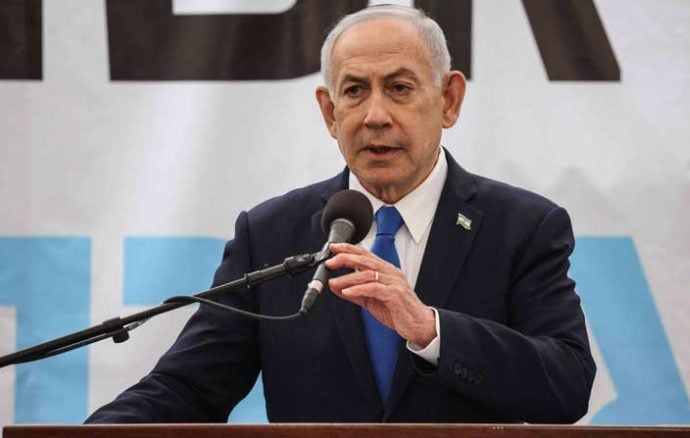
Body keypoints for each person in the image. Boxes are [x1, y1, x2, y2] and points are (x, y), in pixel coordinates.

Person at [87, 5, 595, 424]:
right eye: (354, 91)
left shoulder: (522, 228)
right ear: (330, 112)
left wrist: (431, 331)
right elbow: (188, 388)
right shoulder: (270, 234)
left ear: (449, 99)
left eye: (399, 88)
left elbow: (567, 385)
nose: (375, 115)